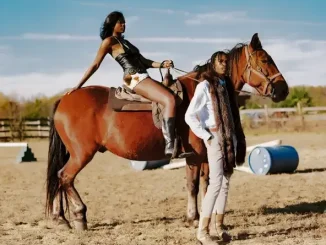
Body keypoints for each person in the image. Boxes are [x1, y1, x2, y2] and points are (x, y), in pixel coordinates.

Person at [68, 11, 177, 158]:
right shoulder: (109, 42)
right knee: (169, 100)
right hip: (132, 78)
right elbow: (95, 65)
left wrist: (162, 64)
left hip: (143, 76)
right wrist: (78, 85)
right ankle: (170, 144)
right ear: (113, 25)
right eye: (120, 22)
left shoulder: (126, 42)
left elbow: (144, 61)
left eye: (124, 22)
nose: (124, 24)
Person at [185, 51, 246, 244]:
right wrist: (206, 136)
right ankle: (202, 232)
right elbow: (190, 115)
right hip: (215, 136)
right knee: (216, 182)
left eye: (226, 62)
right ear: (213, 63)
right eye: (221, 62)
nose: (224, 65)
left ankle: (219, 227)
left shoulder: (225, 85)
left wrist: (236, 138)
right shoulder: (204, 85)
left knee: (226, 181)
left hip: (229, 137)